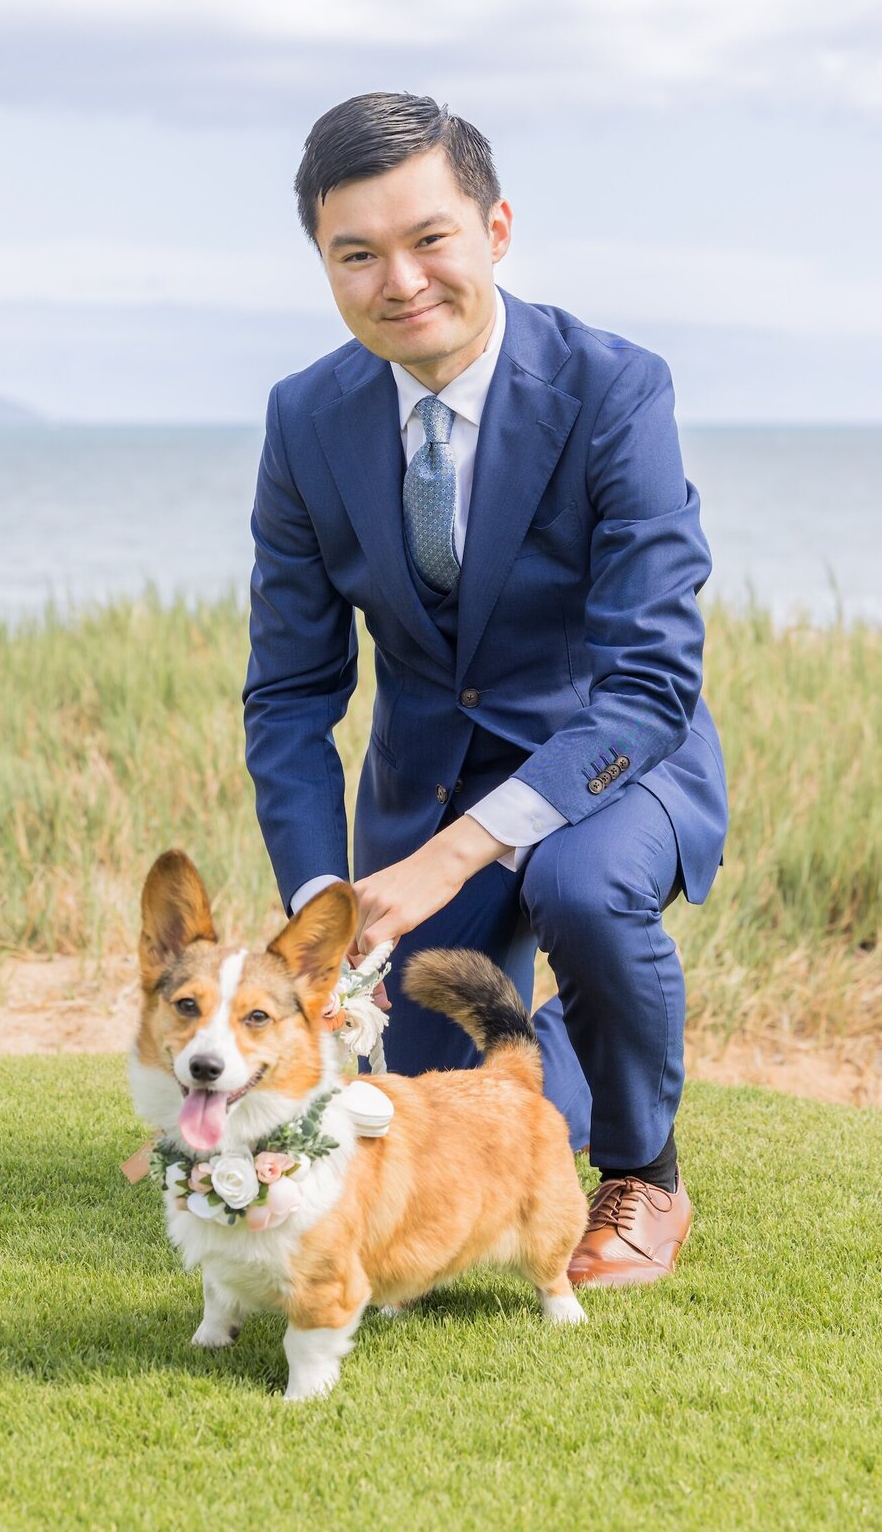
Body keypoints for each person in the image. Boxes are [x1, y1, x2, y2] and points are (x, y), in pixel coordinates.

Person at [242, 91, 729, 1285]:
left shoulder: (616, 390)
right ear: (324, 263)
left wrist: (460, 855)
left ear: (497, 229)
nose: (398, 279)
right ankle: (579, 1037)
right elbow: (292, 693)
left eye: (429, 239)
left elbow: (651, 677)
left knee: (579, 884)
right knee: (436, 1110)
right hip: (419, 789)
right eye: (357, 254)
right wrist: (327, 909)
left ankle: (644, 1172)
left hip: (616, 767)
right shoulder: (305, 418)